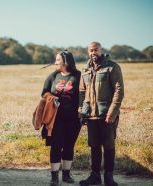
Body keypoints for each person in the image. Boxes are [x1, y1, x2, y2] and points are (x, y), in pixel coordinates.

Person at [79, 42, 124, 186]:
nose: (93, 53)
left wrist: (112, 112)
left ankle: (109, 177)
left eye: (96, 50)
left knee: (109, 146)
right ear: (88, 52)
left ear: (101, 50)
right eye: (91, 51)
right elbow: (81, 92)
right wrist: (81, 110)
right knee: (94, 146)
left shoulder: (112, 67)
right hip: (91, 116)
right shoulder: (85, 69)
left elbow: (119, 91)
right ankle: (95, 176)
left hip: (107, 116)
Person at [41, 50, 81, 186]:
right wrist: (52, 98)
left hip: (74, 119)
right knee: (56, 146)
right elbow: (44, 93)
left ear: (65, 61)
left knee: (69, 146)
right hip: (55, 119)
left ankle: (66, 174)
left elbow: (85, 95)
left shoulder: (78, 76)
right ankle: (54, 177)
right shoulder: (53, 76)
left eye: (57, 60)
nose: (55, 62)